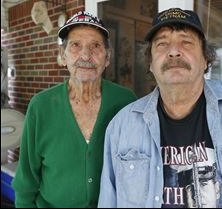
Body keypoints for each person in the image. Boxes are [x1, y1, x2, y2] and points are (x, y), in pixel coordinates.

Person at [98, 8, 222, 208]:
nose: (174, 51)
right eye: (162, 44)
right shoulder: (121, 127)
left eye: (186, 42)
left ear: (205, 59)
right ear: (150, 62)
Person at [12, 11, 136, 208]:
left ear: (108, 57)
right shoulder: (41, 106)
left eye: (95, 46)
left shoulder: (126, 101)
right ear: (63, 55)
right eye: (76, 45)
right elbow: (26, 181)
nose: (86, 55)